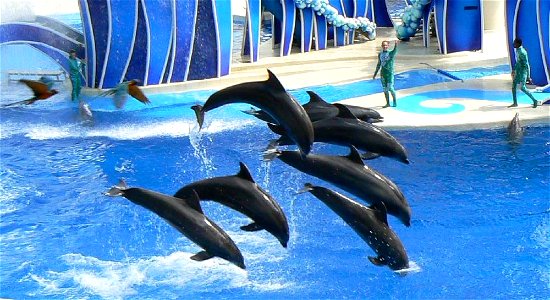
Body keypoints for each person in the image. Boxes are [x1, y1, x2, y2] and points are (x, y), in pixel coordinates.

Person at [510, 38, 537, 108]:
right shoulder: (518, 51)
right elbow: (518, 62)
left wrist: (528, 76)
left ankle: (534, 100)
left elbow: (527, 64)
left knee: (523, 88)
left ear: (518, 44)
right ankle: (515, 102)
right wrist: (514, 70)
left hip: (523, 72)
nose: (513, 44)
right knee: (513, 86)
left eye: (515, 43)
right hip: (518, 71)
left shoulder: (522, 52)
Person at [373, 40, 399, 107]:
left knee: (390, 88)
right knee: (385, 89)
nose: (385, 46)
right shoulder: (380, 54)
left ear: (388, 46)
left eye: (386, 45)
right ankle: (387, 103)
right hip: (383, 74)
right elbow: (379, 64)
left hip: (389, 73)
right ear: (382, 46)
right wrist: (375, 73)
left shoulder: (390, 53)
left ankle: (394, 101)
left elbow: (395, 50)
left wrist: (396, 45)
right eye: (383, 45)